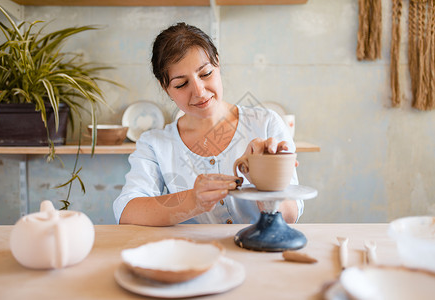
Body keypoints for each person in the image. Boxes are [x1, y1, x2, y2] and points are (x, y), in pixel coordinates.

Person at [113, 23, 303, 226]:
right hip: (193, 255)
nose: (200, 92)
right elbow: (127, 212)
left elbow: (290, 216)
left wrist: (263, 179)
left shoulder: (266, 123)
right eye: (181, 84)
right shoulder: (154, 143)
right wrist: (193, 201)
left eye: (205, 74)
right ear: (165, 87)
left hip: (259, 254)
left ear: (217, 64)